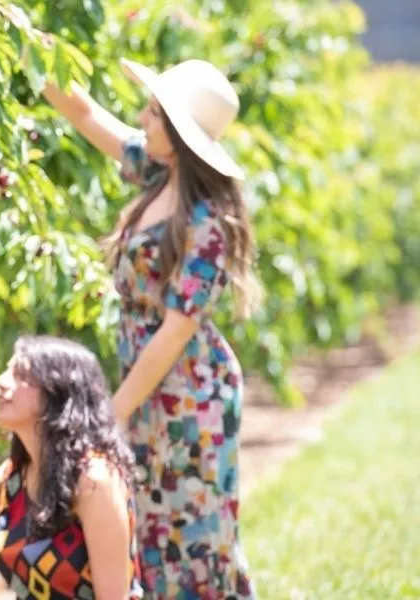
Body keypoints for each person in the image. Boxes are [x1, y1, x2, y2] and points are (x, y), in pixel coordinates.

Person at [39, 57, 261, 599]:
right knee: (152, 534)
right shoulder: (157, 172)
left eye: (155, 112)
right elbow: (85, 114)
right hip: (151, 390)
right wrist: (32, 50)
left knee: (193, 538)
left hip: (190, 398)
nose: (142, 117)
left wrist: (113, 412)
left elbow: (175, 332)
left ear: (180, 133)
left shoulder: (209, 220)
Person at [0, 335, 143, 600]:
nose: (0, 382)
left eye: (19, 375)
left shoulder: (94, 481)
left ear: (57, 392)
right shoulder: (12, 477)